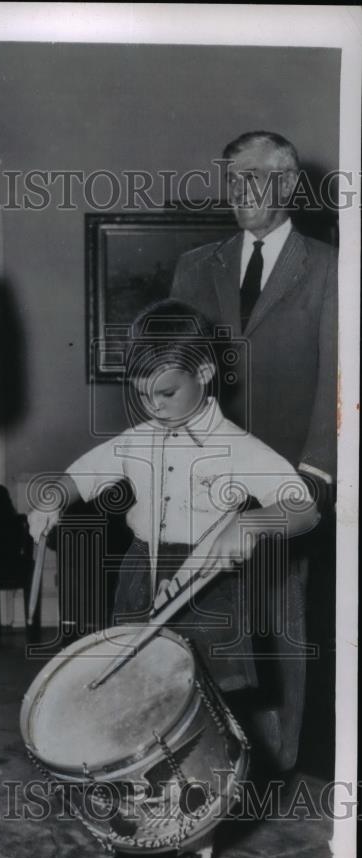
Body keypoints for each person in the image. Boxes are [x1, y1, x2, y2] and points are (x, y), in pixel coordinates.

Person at [27, 300, 319, 858]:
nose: (152, 406)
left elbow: (304, 506)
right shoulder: (137, 438)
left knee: (196, 730)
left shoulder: (241, 448)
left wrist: (258, 523)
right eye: (142, 394)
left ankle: (198, 854)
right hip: (143, 577)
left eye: (165, 391)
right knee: (136, 717)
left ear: (205, 374)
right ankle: (137, 844)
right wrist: (51, 496)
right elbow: (77, 478)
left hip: (211, 588)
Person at [171, 131, 337, 771]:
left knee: (284, 627)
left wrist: (310, 477)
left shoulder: (329, 268)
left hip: (289, 483)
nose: (243, 191)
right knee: (204, 626)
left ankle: (282, 766)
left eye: (258, 177)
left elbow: (336, 385)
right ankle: (202, 767)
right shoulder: (196, 266)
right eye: (233, 177)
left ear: (290, 185)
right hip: (205, 477)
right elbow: (177, 370)